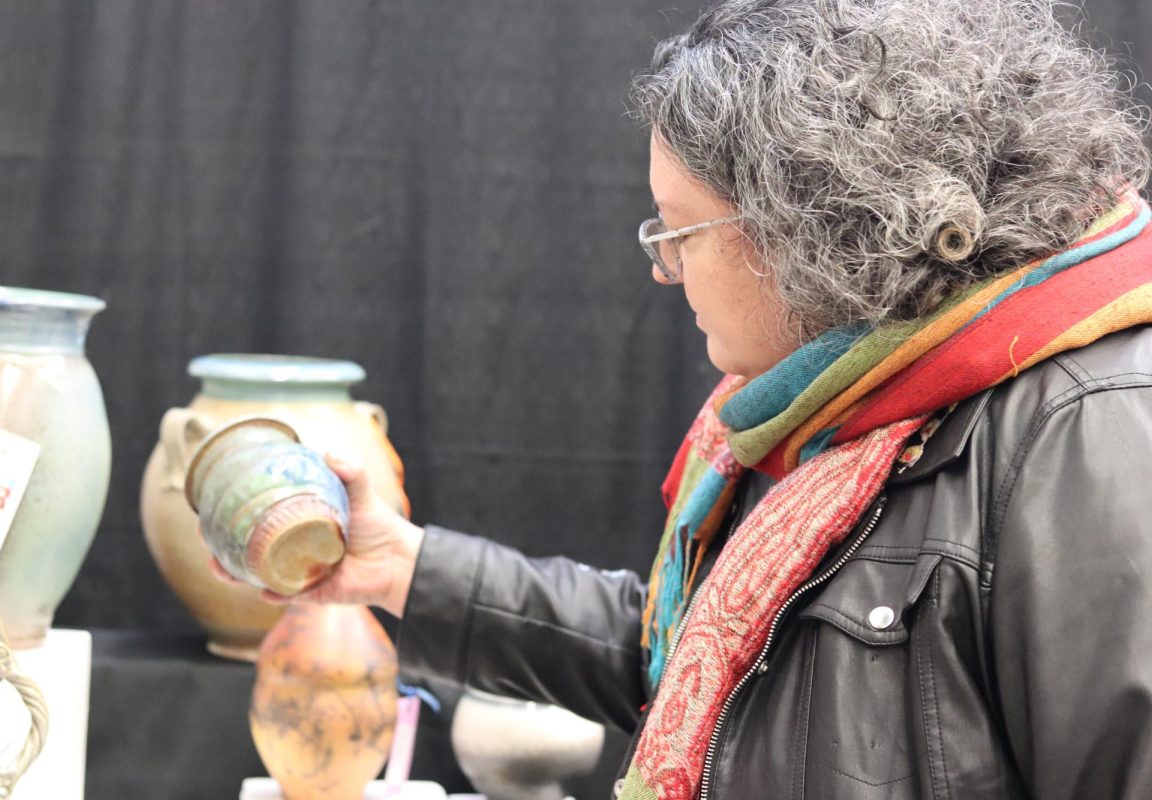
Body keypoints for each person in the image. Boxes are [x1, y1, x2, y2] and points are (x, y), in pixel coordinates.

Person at [215, 0, 1152, 796]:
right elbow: (695, 664)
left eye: (678, 230)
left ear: (806, 225)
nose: (663, 269)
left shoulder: (1084, 429)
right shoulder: (822, 410)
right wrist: (401, 569)